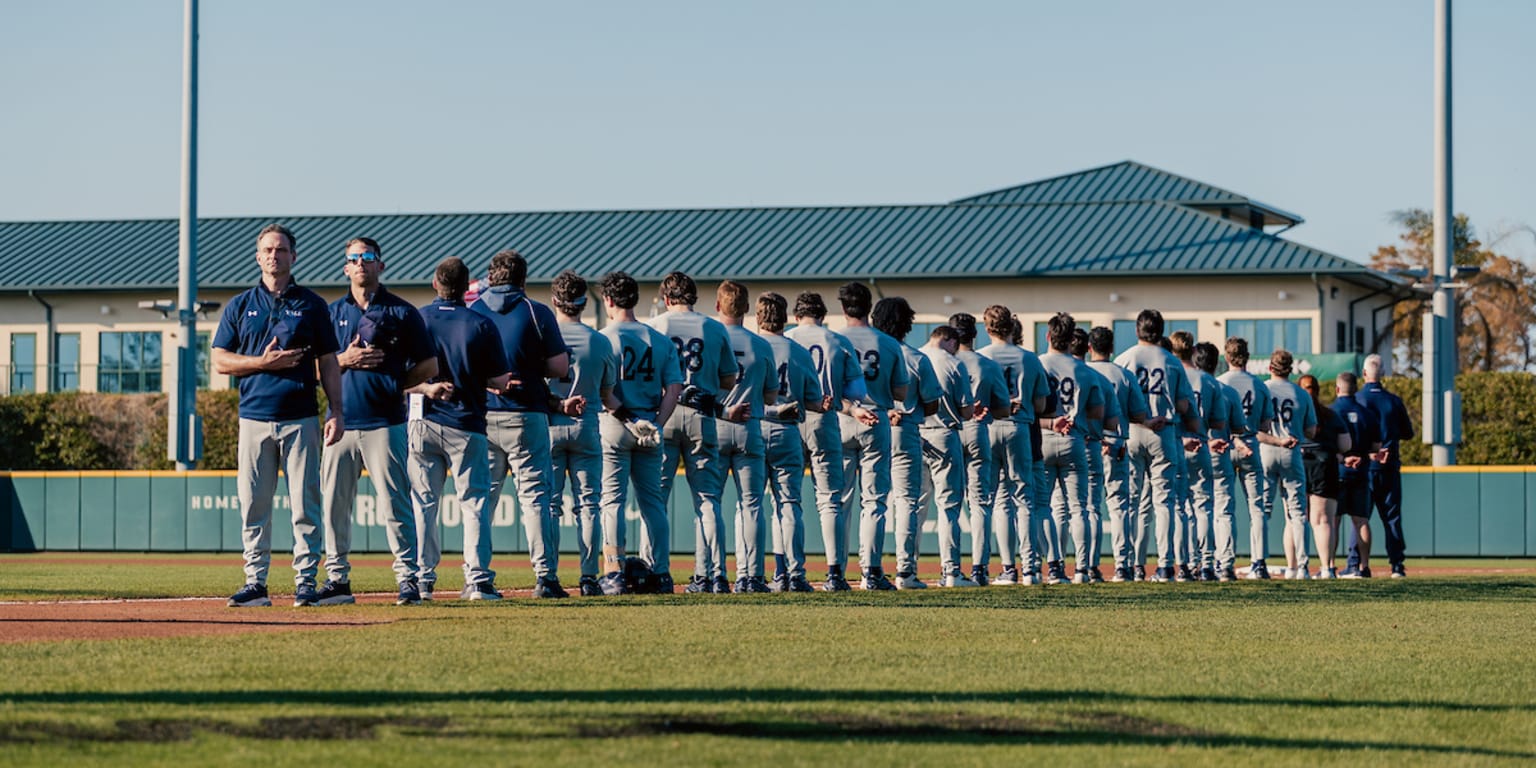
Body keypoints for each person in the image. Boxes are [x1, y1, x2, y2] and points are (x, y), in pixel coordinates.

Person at [215, 224, 344, 608]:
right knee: (254, 503)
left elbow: (329, 363)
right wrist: (262, 362)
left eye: (281, 250)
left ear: (294, 256)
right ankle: (256, 583)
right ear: (258, 257)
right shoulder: (240, 305)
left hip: (301, 416)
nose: (274, 255)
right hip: (254, 418)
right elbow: (220, 360)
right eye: (268, 250)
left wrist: (336, 410)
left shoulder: (312, 305)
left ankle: (306, 582)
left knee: (305, 504)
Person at [319, 237, 437, 606]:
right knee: (334, 506)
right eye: (353, 258)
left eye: (367, 257)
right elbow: (315, 368)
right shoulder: (330, 313)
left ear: (380, 265)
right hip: (340, 422)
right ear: (345, 267)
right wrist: (345, 359)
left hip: (385, 421)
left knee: (395, 504)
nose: (360, 264)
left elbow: (430, 366)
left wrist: (393, 380)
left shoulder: (402, 312)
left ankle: (408, 579)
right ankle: (337, 580)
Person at [407, 257, 513, 600]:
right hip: (466, 422)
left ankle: (422, 580)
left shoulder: (417, 319)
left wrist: (425, 387)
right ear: (466, 288)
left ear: (436, 283)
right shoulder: (480, 323)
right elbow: (499, 379)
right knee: (475, 503)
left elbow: (401, 377)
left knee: (423, 503)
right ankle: (478, 580)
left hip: (422, 419)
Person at [472, 249, 573, 598]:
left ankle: (478, 577)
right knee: (535, 498)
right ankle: (545, 577)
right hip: (526, 413)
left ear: (491, 275)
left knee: (482, 499)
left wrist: (490, 378)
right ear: (523, 279)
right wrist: (531, 368)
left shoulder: (474, 309)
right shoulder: (535, 311)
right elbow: (560, 367)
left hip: (482, 415)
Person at [647, 271, 740, 594]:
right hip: (703, 413)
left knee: (655, 499)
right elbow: (729, 378)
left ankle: (655, 571)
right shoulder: (713, 328)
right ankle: (711, 574)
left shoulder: (656, 326)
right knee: (707, 500)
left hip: (664, 412)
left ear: (667, 298)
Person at [596, 271, 682, 595]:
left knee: (612, 502)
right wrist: (657, 424)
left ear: (608, 300)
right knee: (654, 505)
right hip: (649, 426)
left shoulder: (604, 338)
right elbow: (674, 388)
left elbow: (604, 393)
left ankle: (614, 573)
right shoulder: (659, 339)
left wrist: (629, 419)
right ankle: (661, 573)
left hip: (617, 423)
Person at [785, 292, 867, 591]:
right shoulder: (839, 341)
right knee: (830, 499)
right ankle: (834, 573)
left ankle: (786, 572)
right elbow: (856, 391)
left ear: (796, 315)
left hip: (788, 418)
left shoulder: (788, 337)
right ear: (823, 315)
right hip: (824, 417)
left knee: (785, 499)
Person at [548, 270, 621, 597]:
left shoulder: (542, 338)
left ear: (555, 301)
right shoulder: (600, 340)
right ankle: (589, 577)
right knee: (589, 505)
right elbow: (609, 396)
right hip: (587, 426)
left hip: (549, 424)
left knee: (548, 505)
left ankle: (546, 574)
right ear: (582, 303)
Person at [1113, 309, 1196, 583]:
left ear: (1138, 330)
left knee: (1134, 502)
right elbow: (1184, 405)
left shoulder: (1125, 358)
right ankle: (1164, 566)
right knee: (1164, 502)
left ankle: (1134, 565)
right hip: (1163, 431)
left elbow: (1116, 399)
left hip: (1134, 429)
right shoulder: (1172, 361)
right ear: (1160, 331)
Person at [836, 282, 910, 590]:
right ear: (870, 308)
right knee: (875, 501)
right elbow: (901, 391)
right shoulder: (889, 343)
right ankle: (872, 570)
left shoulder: (835, 340)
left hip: (841, 418)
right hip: (876, 417)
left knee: (838, 502)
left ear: (843, 308)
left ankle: (835, 571)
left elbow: (826, 388)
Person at [755, 292, 824, 593]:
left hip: (753, 428)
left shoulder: (749, 345)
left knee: (751, 505)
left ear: (758, 317)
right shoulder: (798, 351)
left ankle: (756, 575)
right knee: (788, 505)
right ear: (785, 317)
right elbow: (814, 400)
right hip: (786, 430)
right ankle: (794, 574)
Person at [871, 297, 942, 590]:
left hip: (870, 425)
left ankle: (869, 570)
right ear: (907, 324)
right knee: (906, 501)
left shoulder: (864, 352)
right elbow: (934, 403)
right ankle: (905, 572)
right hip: (906, 429)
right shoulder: (916, 357)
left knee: (870, 501)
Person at [978, 306, 1050, 586]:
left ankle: (1008, 568)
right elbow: (1042, 404)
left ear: (988, 329)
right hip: (1020, 426)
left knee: (998, 501)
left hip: (990, 427)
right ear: (1012, 328)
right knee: (1024, 497)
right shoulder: (1030, 359)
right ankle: (1031, 568)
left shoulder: (981, 356)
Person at [715, 280, 778, 594]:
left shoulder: (710, 337)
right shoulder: (761, 344)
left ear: (718, 306)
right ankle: (750, 576)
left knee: (709, 504)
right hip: (750, 426)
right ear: (746, 309)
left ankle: (712, 575)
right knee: (751, 505)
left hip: (714, 425)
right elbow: (771, 395)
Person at [1038, 313, 1106, 584]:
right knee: (1080, 508)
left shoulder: (1038, 363)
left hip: (1044, 436)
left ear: (1048, 336)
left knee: (1046, 507)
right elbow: (1098, 410)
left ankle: (1052, 567)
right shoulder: (1085, 370)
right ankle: (1082, 569)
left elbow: (1032, 407)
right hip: (1074, 438)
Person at [949, 312, 1012, 585]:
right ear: (974, 335)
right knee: (980, 503)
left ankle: (949, 568)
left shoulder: (942, 361)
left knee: (949, 503)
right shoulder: (987, 364)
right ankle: (979, 568)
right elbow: (1004, 408)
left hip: (948, 429)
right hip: (978, 429)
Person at [1088, 326, 1148, 582]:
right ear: (1111, 348)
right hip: (1116, 443)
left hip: (1090, 442)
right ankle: (1123, 565)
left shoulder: (1085, 372)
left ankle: (1088, 565)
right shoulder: (1123, 375)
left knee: (1089, 507)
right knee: (1120, 506)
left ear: (1090, 347)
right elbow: (1138, 414)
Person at [1217, 337, 1280, 579]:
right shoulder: (1260, 385)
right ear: (1247, 356)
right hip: (1251, 443)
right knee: (1257, 507)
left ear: (1227, 357)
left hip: (1224, 444)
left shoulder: (1220, 382)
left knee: (1224, 507)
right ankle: (1259, 563)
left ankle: (1225, 563)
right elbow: (1266, 425)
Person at [1348, 354, 1414, 579]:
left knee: (1359, 518)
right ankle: (1397, 565)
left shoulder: (1355, 400)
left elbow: (1348, 436)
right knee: (1392, 517)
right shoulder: (1393, 401)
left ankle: (1355, 564)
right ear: (1383, 373)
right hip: (1389, 466)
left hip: (1364, 467)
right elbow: (1408, 433)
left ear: (1364, 374)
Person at [920, 326, 976, 586]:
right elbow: (966, 411)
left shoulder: (914, 356)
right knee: (949, 506)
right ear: (950, 340)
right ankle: (951, 571)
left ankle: (905, 570)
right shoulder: (954, 362)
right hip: (944, 433)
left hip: (914, 434)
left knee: (912, 506)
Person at [1170, 331, 1227, 582]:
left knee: (1181, 508)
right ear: (1193, 351)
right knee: (1204, 507)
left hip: (1175, 444)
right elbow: (1219, 421)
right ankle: (1206, 564)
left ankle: (1186, 564)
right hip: (1202, 444)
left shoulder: (1169, 375)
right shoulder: (1209, 381)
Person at [1067, 326, 1122, 583]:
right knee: (1090, 508)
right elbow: (1111, 419)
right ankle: (1089, 566)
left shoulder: (1047, 366)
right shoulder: (1097, 375)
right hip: (1090, 443)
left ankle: (1052, 566)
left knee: (1056, 507)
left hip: (1055, 440)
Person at [1261, 349, 1318, 580]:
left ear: (1270, 367)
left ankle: (1259, 563)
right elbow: (1311, 430)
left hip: (1266, 449)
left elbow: (1253, 424)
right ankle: (1302, 567)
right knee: (1297, 512)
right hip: (1292, 450)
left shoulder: (1262, 388)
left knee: (1262, 510)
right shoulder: (1301, 393)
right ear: (1291, 369)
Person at [1196, 342, 1246, 581]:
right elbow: (1239, 427)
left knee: (1194, 509)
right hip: (1220, 451)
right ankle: (1224, 564)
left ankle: (1197, 562)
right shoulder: (1226, 390)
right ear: (1217, 364)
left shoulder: (1185, 386)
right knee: (1223, 511)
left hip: (1194, 450)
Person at [1331, 371, 1383, 579]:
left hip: (1339, 471)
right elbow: (1377, 446)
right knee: (1361, 521)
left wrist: (1343, 458)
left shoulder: (1332, 412)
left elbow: (1326, 445)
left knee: (1333, 521)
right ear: (1356, 388)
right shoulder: (1367, 413)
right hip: (1361, 471)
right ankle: (1364, 567)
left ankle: (1329, 566)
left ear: (1337, 389)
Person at [1298, 373, 1350, 578]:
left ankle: (1295, 568)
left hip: (1299, 463)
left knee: (1295, 518)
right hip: (1324, 464)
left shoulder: (1294, 414)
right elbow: (1346, 445)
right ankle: (1327, 568)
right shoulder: (1330, 414)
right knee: (1323, 521)